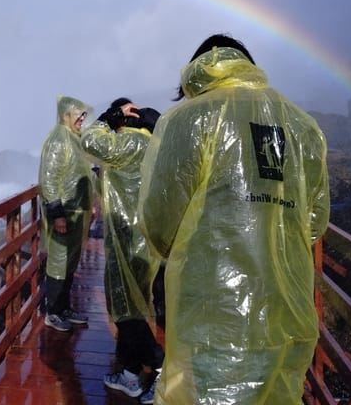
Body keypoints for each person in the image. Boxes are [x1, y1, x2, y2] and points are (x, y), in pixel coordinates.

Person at [138, 34, 330, 404]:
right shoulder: (303, 125)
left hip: (214, 312)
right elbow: (314, 222)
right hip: (289, 310)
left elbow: (161, 219)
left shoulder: (189, 118)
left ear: (196, 72)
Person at [82, 99, 164, 403]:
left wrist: (110, 116)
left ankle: (160, 370)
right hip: (147, 241)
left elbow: (90, 140)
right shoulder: (154, 148)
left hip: (130, 242)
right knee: (133, 307)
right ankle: (130, 374)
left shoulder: (131, 144)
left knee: (127, 312)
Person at [39, 95, 95, 332]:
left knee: (70, 263)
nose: (82, 119)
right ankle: (52, 312)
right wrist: (57, 214)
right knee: (58, 262)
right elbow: (49, 180)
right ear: (65, 115)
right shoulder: (59, 139)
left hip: (77, 212)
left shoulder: (75, 138)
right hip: (65, 214)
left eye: (83, 115)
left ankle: (64, 308)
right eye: (78, 115)